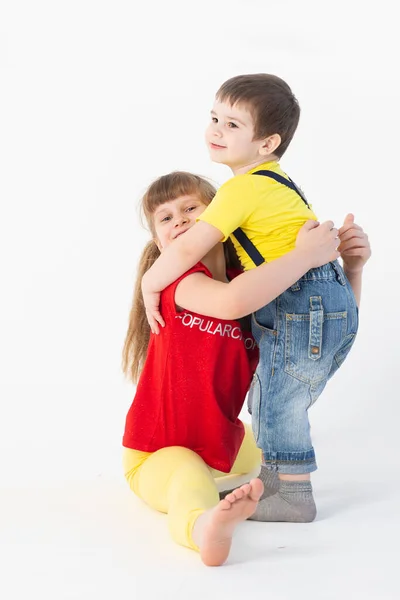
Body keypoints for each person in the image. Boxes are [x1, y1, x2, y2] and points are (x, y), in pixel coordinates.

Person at [141, 75, 372, 522]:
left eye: (231, 125)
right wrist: (346, 274)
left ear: (267, 143)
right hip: (321, 299)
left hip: (307, 300)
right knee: (278, 398)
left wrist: (150, 282)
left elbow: (194, 254)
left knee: (277, 401)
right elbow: (323, 318)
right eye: (213, 119)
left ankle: (293, 494)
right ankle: (278, 484)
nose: (214, 131)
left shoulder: (243, 190)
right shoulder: (275, 187)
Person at [122, 171, 341, 566]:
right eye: (166, 218)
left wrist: (352, 269)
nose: (181, 221)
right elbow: (230, 304)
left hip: (222, 440)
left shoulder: (251, 283)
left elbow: (318, 332)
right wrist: (306, 255)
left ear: (221, 219)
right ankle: (204, 528)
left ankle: (255, 491)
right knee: (189, 478)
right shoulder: (178, 285)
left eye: (191, 208)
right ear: (159, 242)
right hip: (156, 453)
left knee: (278, 444)